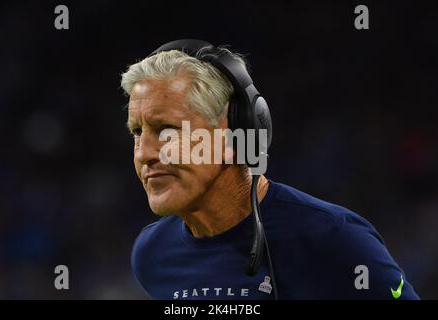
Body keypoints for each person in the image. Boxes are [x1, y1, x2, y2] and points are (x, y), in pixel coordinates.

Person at [120, 40, 419, 300]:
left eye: (167, 130)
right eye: (137, 132)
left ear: (235, 133)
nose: (144, 153)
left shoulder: (334, 240)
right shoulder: (152, 254)